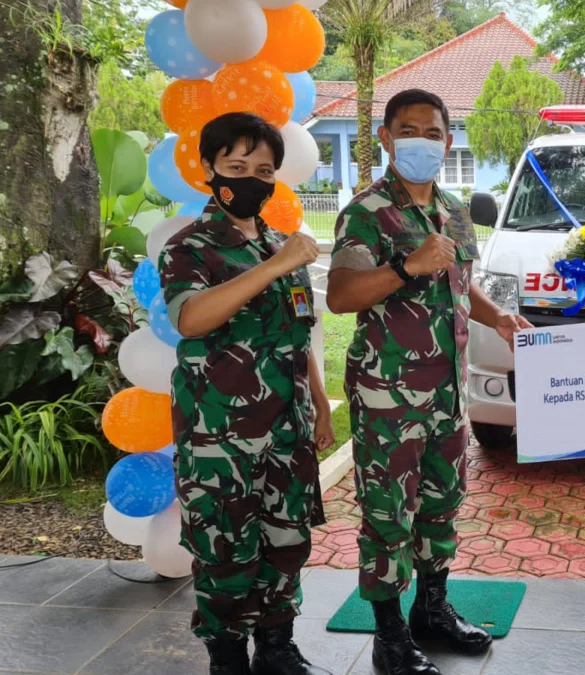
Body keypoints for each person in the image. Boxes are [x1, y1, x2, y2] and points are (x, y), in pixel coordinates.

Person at [325, 89, 533, 675]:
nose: (423, 140)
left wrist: (498, 317)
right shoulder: (367, 212)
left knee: (441, 503)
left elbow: (459, 282)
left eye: (434, 131)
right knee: (389, 512)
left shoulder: (454, 210)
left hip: (446, 390)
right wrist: (405, 266)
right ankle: (389, 634)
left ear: (447, 139)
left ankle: (431, 611)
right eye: (409, 130)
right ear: (387, 138)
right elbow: (342, 295)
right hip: (388, 393)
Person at [159, 112, 335, 675]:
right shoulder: (189, 247)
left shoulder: (286, 246)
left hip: (287, 426)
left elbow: (298, 330)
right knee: (225, 548)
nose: (251, 179)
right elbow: (192, 319)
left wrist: (321, 401)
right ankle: (228, 653)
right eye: (237, 166)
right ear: (209, 168)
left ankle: (278, 646)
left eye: (264, 169)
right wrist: (277, 265)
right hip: (220, 434)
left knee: (287, 539)